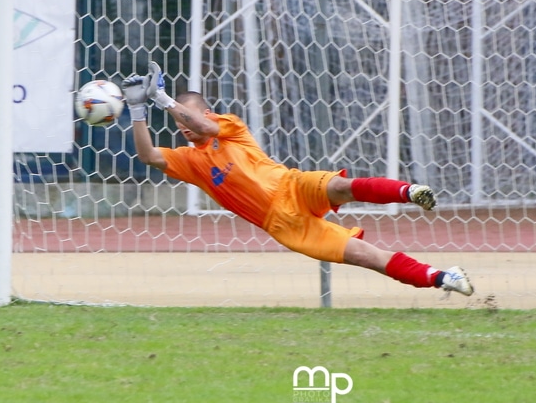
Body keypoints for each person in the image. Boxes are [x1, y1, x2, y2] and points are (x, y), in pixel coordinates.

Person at [121, 62, 474, 297]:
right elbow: (149, 156)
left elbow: (203, 126)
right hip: (284, 225)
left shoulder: (227, 127)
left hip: (291, 185)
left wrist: (163, 98)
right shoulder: (190, 161)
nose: (181, 125)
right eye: (177, 121)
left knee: (339, 186)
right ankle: (444, 277)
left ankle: (410, 191)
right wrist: (139, 110)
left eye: (187, 117)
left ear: (206, 112)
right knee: (366, 255)